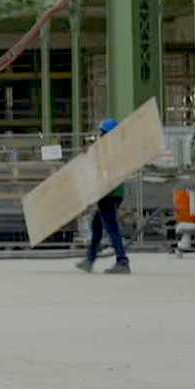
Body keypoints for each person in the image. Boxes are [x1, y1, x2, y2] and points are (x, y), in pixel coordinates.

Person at [76, 117, 132, 275]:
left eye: (102, 132)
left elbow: (100, 172)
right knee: (97, 228)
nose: (99, 135)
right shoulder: (114, 150)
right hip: (113, 193)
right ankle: (89, 259)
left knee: (112, 229)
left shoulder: (107, 151)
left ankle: (122, 261)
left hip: (108, 193)